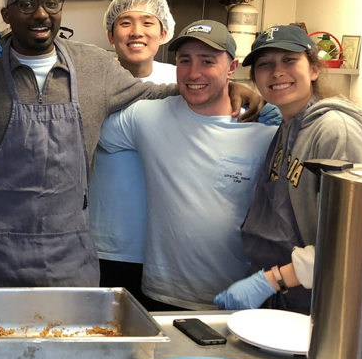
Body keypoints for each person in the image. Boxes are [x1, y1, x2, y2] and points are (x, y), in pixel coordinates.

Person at [0, 0, 261, 287]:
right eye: (26, 4)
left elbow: (158, 92)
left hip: (65, 254)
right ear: (6, 14)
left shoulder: (94, 66)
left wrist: (228, 88)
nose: (41, 14)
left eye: (51, 3)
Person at [97, 20, 278, 309]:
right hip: (160, 293)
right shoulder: (145, 118)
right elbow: (80, 125)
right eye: (185, 61)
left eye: (207, 61)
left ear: (232, 68)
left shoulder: (265, 132)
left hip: (237, 296)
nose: (194, 73)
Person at [215, 25, 362, 313]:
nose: (277, 72)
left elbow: (356, 240)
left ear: (314, 69)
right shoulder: (287, 125)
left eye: (289, 60)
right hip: (287, 294)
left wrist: (272, 279)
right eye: (266, 64)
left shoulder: (335, 131)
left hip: (322, 298)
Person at [88, 0, 177, 302]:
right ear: (111, 35)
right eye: (125, 22)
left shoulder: (184, 82)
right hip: (103, 240)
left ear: (164, 32)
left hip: (167, 244)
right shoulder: (88, 81)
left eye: (147, 22)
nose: (137, 31)